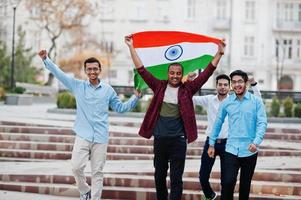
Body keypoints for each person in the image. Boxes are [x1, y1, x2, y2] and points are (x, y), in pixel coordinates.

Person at [125, 34, 225, 200]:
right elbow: (142, 69)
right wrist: (131, 47)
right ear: (168, 73)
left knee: (176, 178)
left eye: (178, 73)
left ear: (182, 74)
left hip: (178, 140)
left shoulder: (188, 89)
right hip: (160, 139)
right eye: (172, 73)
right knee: (159, 177)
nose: (175, 76)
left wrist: (219, 54)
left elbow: (207, 73)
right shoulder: (158, 86)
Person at [38, 50, 140, 200]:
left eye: (95, 69)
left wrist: (135, 98)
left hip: (101, 137)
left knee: (97, 172)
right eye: (89, 69)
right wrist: (46, 59)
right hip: (83, 135)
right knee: (76, 167)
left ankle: (95, 198)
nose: (92, 71)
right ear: (85, 71)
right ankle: (84, 189)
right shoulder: (77, 86)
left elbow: (120, 108)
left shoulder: (108, 90)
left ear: (99, 70)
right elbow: (59, 74)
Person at [188, 73, 261, 200]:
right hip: (211, 142)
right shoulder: (209, 99)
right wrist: (190, 82)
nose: (222, 87)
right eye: (220, 84)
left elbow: (258, 100)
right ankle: (210, 195)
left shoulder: (234, 101)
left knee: (226, 179)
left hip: (228, 144)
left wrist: (253, 84)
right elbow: (190, 98)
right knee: (203, 176)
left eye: (225, 85)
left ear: (230, 87)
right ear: (216, 86)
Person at [208, 70, 267, 200]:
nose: (237, 85)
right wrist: (211, 143)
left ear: (246, 83)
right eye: (234, 82)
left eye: (240, 81)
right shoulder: (227, 103)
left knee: (245, 186)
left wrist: (256, 142)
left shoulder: (256, 102)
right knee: (228, 182)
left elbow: (262, 122)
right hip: (231, 149)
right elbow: (217, 123)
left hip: (250, 149)